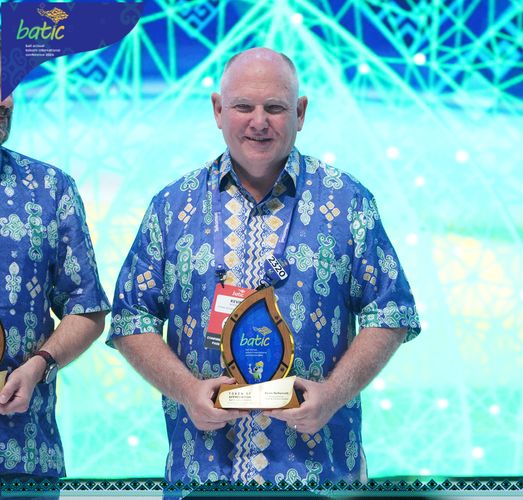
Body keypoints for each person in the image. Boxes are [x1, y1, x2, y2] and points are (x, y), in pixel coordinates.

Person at [107, 47, 420, 486]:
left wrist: (332, 395)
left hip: (320, 477)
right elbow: (130, 319)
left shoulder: (348, 201)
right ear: (218, 110)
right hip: (202, 477)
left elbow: (391, 313)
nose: (259, 122)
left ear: (300, 112)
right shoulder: (171, 206)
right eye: (243, 107)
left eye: (274, 108)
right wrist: (187, 391)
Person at [0, 88, 111, 482]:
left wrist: (40, 365)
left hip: (25, 459)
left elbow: (87, 309)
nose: (5, 103)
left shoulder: (50, 188)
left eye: (8, 87)